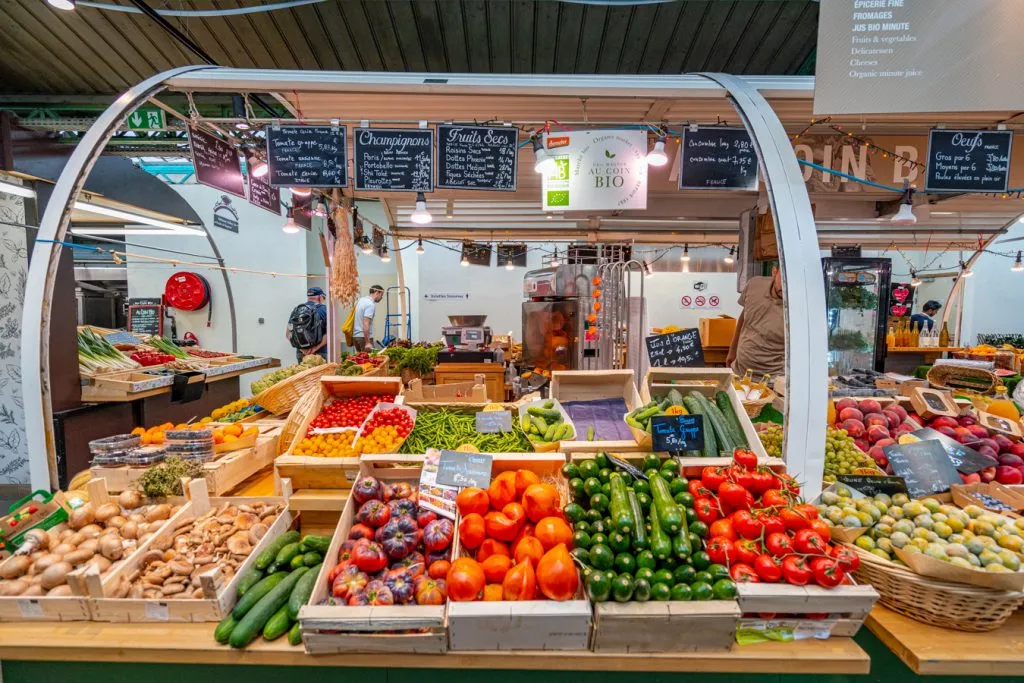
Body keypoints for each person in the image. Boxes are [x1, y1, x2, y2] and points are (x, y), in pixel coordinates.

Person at [727, 266, 785, 378]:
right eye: (783, 279)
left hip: (773, 379)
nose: (786, 286)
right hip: (740, 372)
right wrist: (732, 350)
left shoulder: (798, 308)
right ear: (774, 272)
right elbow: (744, 317)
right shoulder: (754, 285)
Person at [286, 286, 328, 362]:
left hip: (302, 354)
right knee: (322, 373)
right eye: (323, 298)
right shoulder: (324, 310)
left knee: (304, 373)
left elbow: (288, 334)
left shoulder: (297, 310)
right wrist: (315, 349)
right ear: (320, 297)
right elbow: (329, 335)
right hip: (321, 353)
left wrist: (302, 350)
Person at [353, 285, 385, 351]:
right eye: (381, 295)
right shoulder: (370, 304)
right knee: (369, 360)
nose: (381, 297)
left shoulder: (361, 300)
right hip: (364, 338)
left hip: (356, 337)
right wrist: (367, 342)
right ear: (377, 292)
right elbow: (366, 323)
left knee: (360, 360)